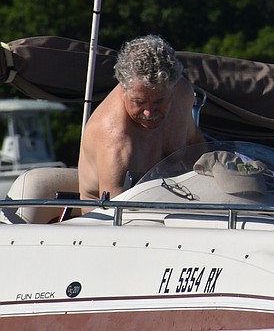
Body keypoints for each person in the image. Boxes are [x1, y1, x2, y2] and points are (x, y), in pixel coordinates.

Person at [78, 35, 205, 209]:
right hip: (114, 220)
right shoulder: (114, 138)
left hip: (179, 205)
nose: (149, 112)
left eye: (159, 101)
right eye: (139, 102)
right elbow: (113, 213)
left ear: (173, 89)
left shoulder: (183, 94)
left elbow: (196, 149)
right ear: (123, 89)